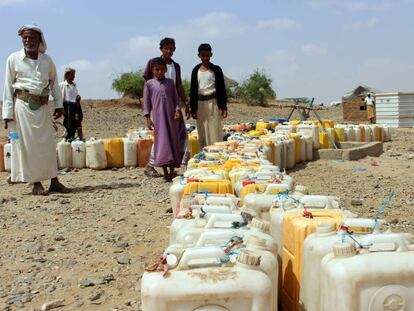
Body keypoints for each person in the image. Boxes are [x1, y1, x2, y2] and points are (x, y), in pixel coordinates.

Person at [2, 25, 70, 195]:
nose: (27, 41)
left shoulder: (47, 60)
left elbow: (54, 84)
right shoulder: (13, 59)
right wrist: (7, 114)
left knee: (48, 145)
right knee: (28, 146)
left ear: (39, 39)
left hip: (42, 107)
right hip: (23, 107)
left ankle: (54, 181)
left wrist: (59, 105)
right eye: (25, 38)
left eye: (31, 37)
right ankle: (36, 183)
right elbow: (7, 88)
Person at [142, 37, 189, 178]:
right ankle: (151, 165)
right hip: (158, 109)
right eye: (166, 48)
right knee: (162, 138)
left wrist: (185, 103)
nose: (169, 51)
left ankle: (175, 163)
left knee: (179, 135)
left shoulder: (176, 66)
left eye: (171, 48)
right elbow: (149, 86)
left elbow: (178, 86)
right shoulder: (153, 63)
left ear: (174, 49)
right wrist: (148, 112)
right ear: (161, 49)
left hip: (172, 107)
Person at [189, 43, 228, 148]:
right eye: (203, 55)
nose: (205, 58)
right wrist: (193, 108)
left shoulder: (216, 70)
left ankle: (216, 151)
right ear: (199, 56)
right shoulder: (195, 70)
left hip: (213, 103)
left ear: (211, 55)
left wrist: (223, 107)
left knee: (214, 128)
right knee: (203, 129)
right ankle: (205, 151)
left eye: (207, 55)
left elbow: (222, 89)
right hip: (200, 104)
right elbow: (193, 90)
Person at [60, 67, 83, 141]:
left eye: (74, 75)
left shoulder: (74, 85)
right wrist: (61, 109)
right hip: (67, 106)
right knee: (68, 124)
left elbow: (75, 96)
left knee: (78, 122)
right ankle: (68, 139)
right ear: (67, 75)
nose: (74, 76)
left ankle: (79, 140)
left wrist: (78, 98)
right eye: (72, 74)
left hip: (75, 106)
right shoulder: (62, 85)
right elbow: (59, 97)